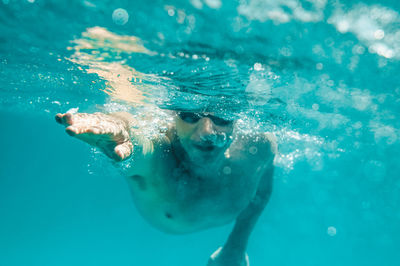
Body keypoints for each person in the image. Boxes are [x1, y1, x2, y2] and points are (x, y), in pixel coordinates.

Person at [55, 108, 276, 266]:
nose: (207, 133)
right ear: (173, 118)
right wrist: (119, 128)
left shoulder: (258, 149)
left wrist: (236, 245)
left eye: (222, 117)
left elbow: (260, 193)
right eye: (190, 115)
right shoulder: (162, 155)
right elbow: (142, 143)